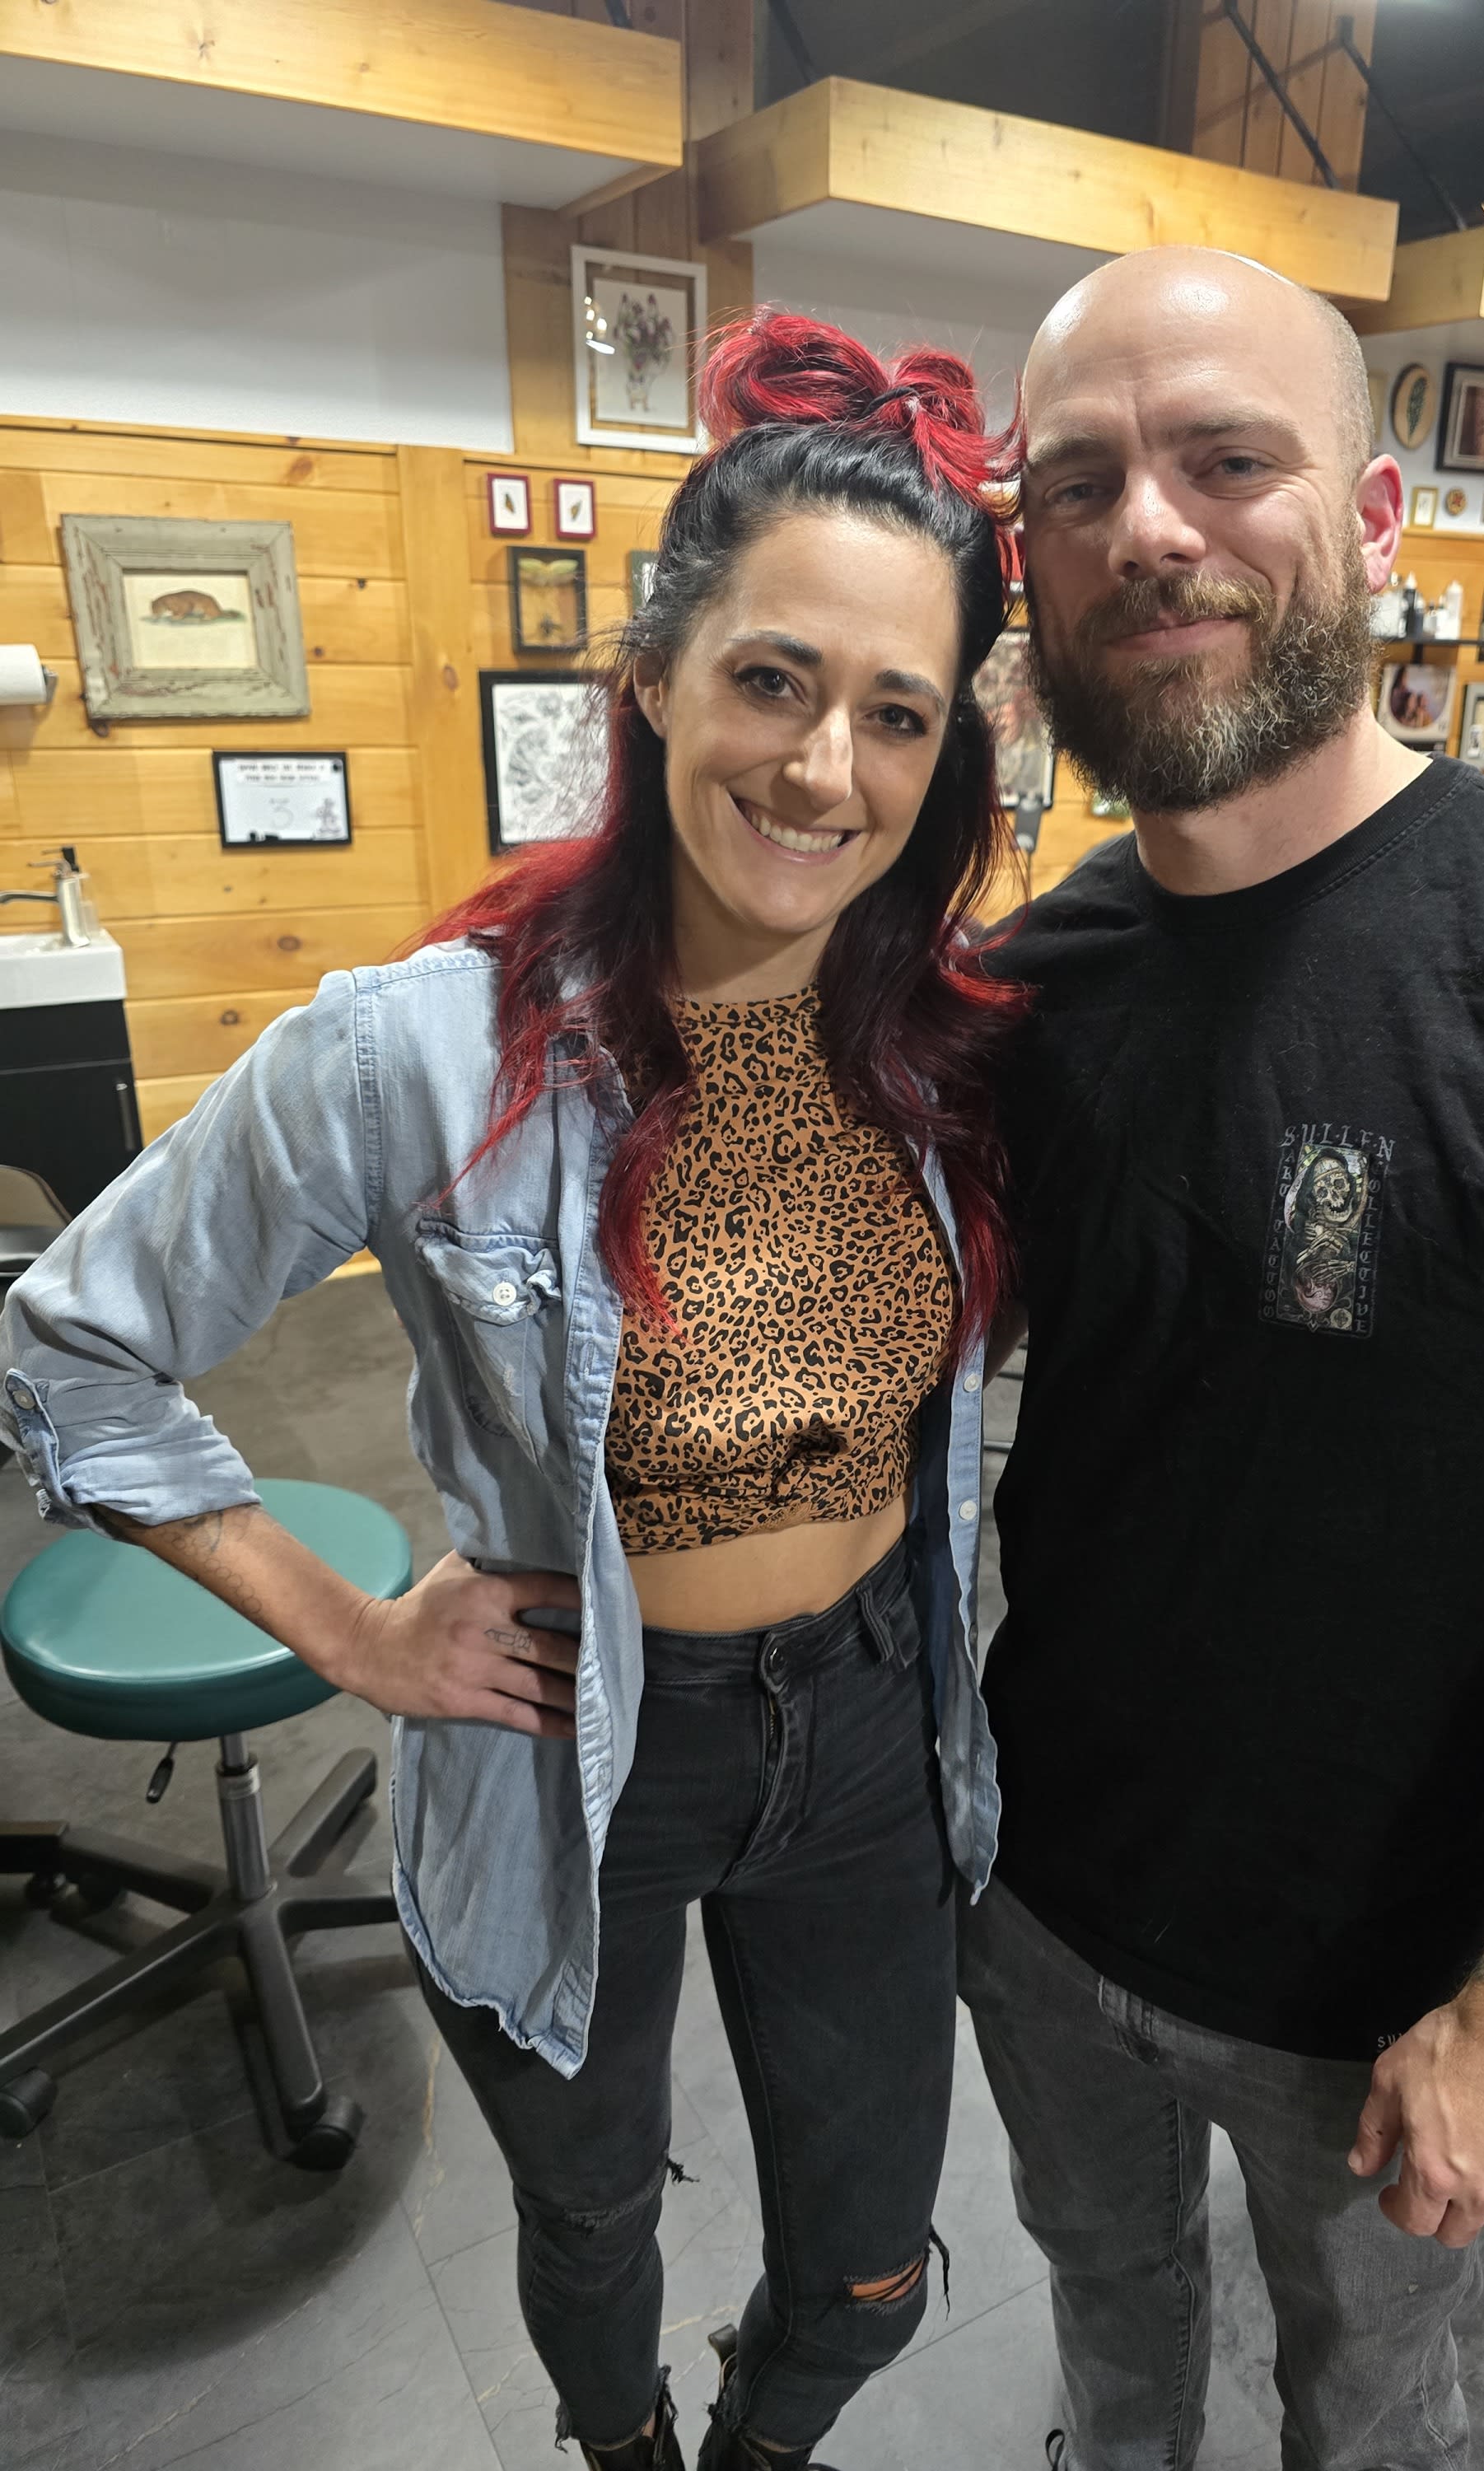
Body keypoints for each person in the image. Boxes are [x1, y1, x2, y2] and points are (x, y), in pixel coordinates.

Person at [0, 313, 1024, 2471]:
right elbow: (71, 1334)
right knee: (590, 2217)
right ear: (651, 675)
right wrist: (354, 1632)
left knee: (867, 2263)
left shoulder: (948, 1054)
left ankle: (758, 2446)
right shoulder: (427, 1049)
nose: (823, 770)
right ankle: (621, 2446)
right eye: (774, 680)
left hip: (871, 1721)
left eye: (895, 714)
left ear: (945, 756)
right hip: (576, 1744)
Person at [961, 246, 1484, 2471]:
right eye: (1079, 485)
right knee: (1107, 2339)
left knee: (1369, 2414)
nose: (1148, 528)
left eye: (1224, 459)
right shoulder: (1023, 994)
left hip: (1378, 1976)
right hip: (1032, 1894)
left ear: (1373, 515)